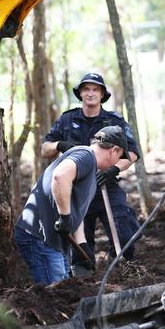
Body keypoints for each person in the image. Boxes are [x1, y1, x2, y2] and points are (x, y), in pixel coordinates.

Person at [42, 72, 141, 270]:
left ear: (103, 94)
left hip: (106, 185)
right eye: (86, 89)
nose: (90, 93)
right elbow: (45, 149)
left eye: (95, 89)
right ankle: (84, 281)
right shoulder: (67, 119)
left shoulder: (115, 120)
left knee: (124, 233)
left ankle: (122, 272)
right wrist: (60, 144)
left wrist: (113, 169)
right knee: (81, 245)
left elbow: (132, 154)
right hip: (77, 190)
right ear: (80, 94)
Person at [14, 125, 131, 284]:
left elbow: (75, 207)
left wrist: (82, 245)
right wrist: (64, 216)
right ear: (114, 150)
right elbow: (60, 176)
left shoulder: (90, 167)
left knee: (65, 288)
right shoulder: (86, 156)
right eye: (119, 156)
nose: (117, 162)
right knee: (54, 295)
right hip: (39, 237)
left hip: (52, 241)